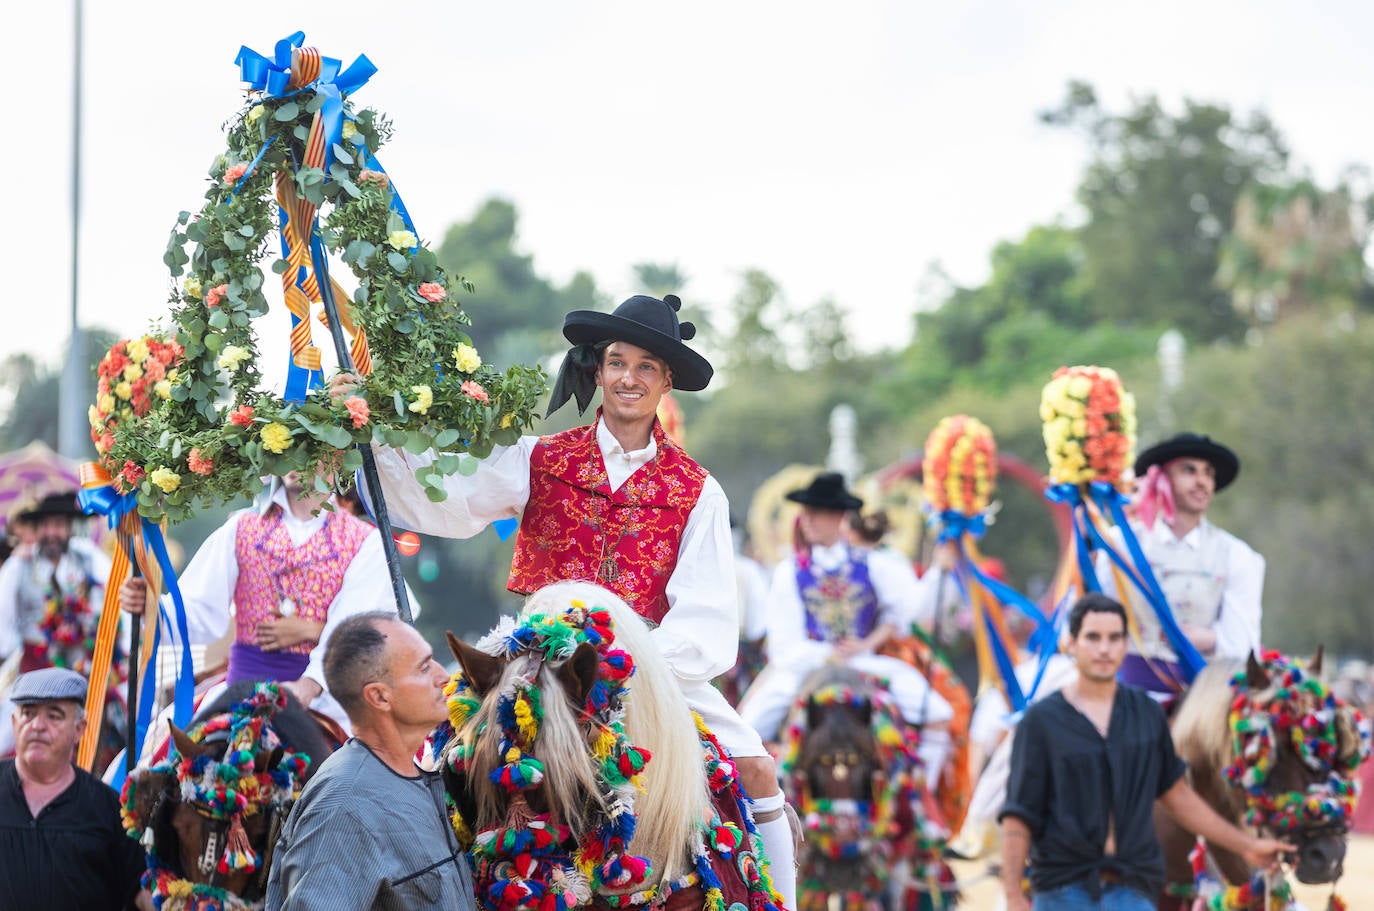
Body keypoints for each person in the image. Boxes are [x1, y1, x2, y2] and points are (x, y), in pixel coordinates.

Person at [351, 293, 802, 911]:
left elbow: (707, 622)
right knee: (443, 759)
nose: (629, 378)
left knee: (757, 772)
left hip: (654, 671)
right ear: (598, 370)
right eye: (618, 362)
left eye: (646, 367)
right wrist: (369, 443)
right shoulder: (541, 458)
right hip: (535, 663)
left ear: (667, 381)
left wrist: (628, 662)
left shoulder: (699, 491)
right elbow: (450, 499)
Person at [998, 593, 1291, 910]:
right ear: (1072, 644)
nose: (1104, 648)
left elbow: (1177, 796)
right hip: (1062, 890)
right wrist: (1014, 895)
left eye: (1114, 638)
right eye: (1093, 637)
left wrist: (1247, 845)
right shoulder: (1041, 721)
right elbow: (1019, 815)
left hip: (1132, 890)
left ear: (1126, 645)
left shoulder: (1146, 716)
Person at [119, 470, 419, 736]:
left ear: (335, 453)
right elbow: (197, 612)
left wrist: (309, 682)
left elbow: (363, 629)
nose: (295, 456)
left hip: (329, 705)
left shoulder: (365, 542)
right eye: (287, 442)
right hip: (241, 696)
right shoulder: (241, 527)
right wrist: (152, 607)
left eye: (309, 443)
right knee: (156, 773)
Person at [739, 471, 956, 780]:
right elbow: (783, 643)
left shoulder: (874, 564)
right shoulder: (790, 572)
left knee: (937, 713)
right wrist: (829, 655)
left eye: (816, 513)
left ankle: (918, 796)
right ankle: (761, 802)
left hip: (865, 665)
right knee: (747, 728)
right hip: (805, 669)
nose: (807, 521)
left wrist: (939, 571)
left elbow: (910, 611)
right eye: (806, 513)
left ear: (837, 517)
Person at [265, 611, 474, 910]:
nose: (444, 676)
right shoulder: (343, 806)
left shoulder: (414, 778)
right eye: (424, 667)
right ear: (379, 697)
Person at [1098, 432, 1264, 698]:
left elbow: (1244, 643)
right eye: (1189, 470)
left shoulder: (1237, 555)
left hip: (1202, 705)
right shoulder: (1120, 544)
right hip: (1128, 699)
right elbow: (1093, 618)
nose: (1202, 482)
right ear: (1161, 479)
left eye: (1208, 473)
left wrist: (1208, 639)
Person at [0, 667, 150, 911]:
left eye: (55, 716)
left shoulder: (109, 809)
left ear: (79, 729)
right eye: (28, 713)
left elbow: (142, 895)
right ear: (14, 722)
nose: (37, 725)